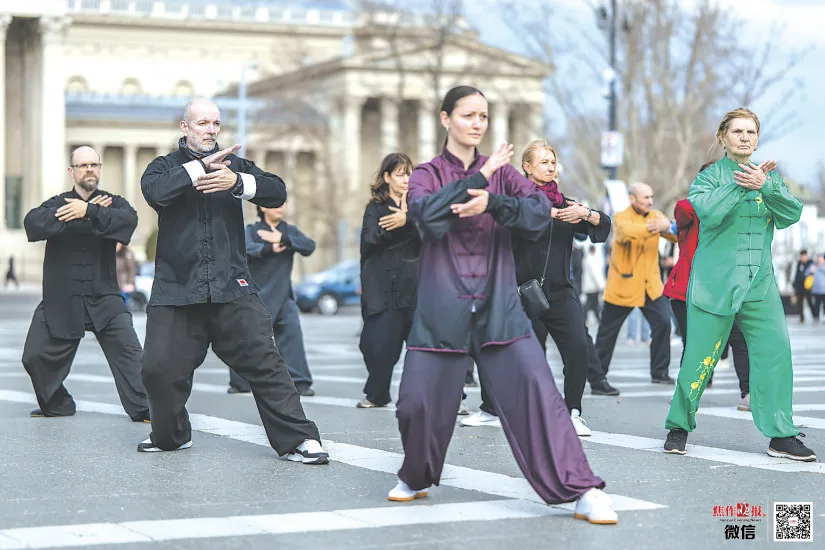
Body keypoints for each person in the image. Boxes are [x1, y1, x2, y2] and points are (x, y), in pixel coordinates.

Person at [389, 85, 616, 524]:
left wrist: (493, 200)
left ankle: (581, 489)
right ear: (445, 119)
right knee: (415, 404)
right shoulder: (426, 173)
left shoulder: (506, 174)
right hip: (441, 309)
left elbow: (535, 214)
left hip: (499, 309)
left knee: (540, 395)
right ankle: (415, 476)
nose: (477, 123)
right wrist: (477, 179)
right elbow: (424, 215)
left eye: (484, 117)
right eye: (469, 115)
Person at [138, 98, 328, 464]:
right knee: (157, 370)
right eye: (202, 123)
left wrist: (237, 181)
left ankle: (299, 440)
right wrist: (198, 170)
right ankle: (172, 436)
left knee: (267, 363)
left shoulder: (235, 166)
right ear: (185, 128)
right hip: (177, 290)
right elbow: (155, 193)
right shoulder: (163, 167)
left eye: (215, 124)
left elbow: (277, 190)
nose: (210, 130)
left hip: (232, 289)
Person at [664, 107, 815, 461]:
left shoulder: (769, 177)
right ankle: (679, 426)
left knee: (777, 354)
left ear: (757, 138)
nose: (745, 137)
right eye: (738, 132)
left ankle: (781, 435)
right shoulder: (709, 177)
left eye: (751, 132)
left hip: (759, 285)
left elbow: (791, 213)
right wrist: (737, 184)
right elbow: (709, 213)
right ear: (723, 138)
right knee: (699, 358)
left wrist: (766, 187)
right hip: (713, 284)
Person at [463, 139, 611, 437]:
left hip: (559, 292)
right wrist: (549, 214)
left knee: (578, 347)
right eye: (544, 161)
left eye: (553, 161)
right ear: (527, 167)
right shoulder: (515, 201)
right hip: (519, 292)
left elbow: (603, 227)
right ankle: (491, 409)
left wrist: (587, 214)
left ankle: (573, 412)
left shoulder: (565, 203)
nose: (550, 166)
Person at [21, 146, 150, 421]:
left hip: (104, 298)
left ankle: (146, 410)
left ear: (100, 169)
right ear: (72, 171)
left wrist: (90, 211)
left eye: (94, 164)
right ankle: (58, 404)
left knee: (132, 357)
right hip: (61, 298)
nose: (89, 169)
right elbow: (33, 224)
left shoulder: (113, 203)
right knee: (33, 356)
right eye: (83, 165)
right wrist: (75, 212)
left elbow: (128, 222)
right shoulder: (57, 203)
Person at [664, 161, 755, 413]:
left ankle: (747, 393)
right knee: (694, 342)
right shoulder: (690, 208)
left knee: (739, 338)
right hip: (688, 288)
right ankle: (686, 395)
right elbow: (682, 209)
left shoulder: (736, 208)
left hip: (727, 286)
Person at [591, 183, 677, 395]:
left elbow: (674, 235)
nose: (650, 201)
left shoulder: (655, 215)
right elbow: (626, 233)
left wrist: (667, 226)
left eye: (651, 197)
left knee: (664, 324)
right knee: (606, 334)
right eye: (645, 197)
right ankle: (597, 378)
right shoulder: (621, 217)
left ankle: (659, 372)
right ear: (632, 199)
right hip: (623, 286)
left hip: (651, 286)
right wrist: (657, 226)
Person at [227, 202, 317, 396]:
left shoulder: (289, 231)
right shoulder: (252, 230)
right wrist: (268, 248)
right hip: (258, 295)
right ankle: (240, 382)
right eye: (275, 204)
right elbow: (245, 249)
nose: (281, 207)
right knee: (248, 340)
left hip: (284, 296)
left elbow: (309, 246)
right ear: (262, 207)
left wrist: (283, 238)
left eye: (284, 203)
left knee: (292, 337)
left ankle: (300, 382)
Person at [357, 153, 420, 408]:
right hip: (382, 289)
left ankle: (443, 396)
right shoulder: (375, 208)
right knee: (376, 346)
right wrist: (397, 224)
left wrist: (409, 219)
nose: (406, 179)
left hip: (414, 288)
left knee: (424, 348)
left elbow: (431, 235)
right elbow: (369, 241)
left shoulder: (419, 207)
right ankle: (378, 394)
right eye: (400, 174)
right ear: (387, 177)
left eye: (409, 173)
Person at [581, 246, 605, 325]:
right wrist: (601, 285)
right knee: (590, 304)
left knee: (594, 304)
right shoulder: (591, 259)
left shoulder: (587, 259)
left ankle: (597, 319)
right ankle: (584, 317)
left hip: (590, 286)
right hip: (592, 287)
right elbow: (595, 274)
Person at [793, 250, 814, 323]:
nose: (803, 257)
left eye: (804, 256)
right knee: (800, 303)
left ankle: (815, 316)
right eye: (802, 256)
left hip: (808, 287)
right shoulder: (799, 263)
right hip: (799, 287)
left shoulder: (810, 263)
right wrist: (794, 284)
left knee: (810, 302)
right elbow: (797, 274)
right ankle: (801, 318)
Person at [808, 254, 825, 322]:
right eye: (819, 259)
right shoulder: (813, 266)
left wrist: (820, 267)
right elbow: (806, 273)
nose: (820, 260)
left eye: (821, 259)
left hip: (824, 290)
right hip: (815, 290)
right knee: (816, 304)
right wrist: (810, 271)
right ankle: (816, 317)